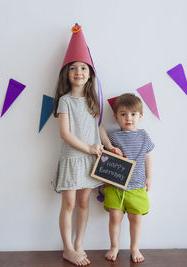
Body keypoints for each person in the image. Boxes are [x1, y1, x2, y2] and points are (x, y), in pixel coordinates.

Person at [52, 24, 121, 266]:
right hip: (73, 158)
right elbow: (65, 134)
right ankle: (67, 248)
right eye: (73, 68)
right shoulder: (65, 101)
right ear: (67, 74)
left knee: (83, 202)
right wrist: (88, 148)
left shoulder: (94, 101)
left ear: (90, 73)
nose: (78, 72)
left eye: (83, 68)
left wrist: (110, 147)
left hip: (91, 159)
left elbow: (98, 127)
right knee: (69, 203)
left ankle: (79, 244)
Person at [103, 93, 155, 263]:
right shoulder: (113, 136)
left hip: (137, 185)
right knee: (114, 217)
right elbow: (98, 129)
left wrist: (149, 178)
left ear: (140, 116)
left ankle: (134, 247)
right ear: (116, 116)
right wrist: (110, 147)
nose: (128, 118)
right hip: (115, 186)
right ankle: (114, 246)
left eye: (133, 114)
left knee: (135, 218)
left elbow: (148, 157)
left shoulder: (143, 136)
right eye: (123, 114)